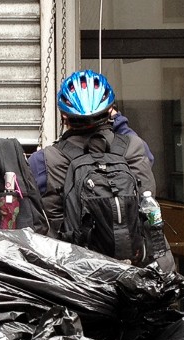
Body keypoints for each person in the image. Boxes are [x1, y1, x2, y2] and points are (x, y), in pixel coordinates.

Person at [29, 69, 174, 272]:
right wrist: (118, 120)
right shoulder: (135, 147)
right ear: (110, 111)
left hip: (78, 276)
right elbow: (143, 156)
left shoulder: (43, 161)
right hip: (142, 271)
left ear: (64, 117)